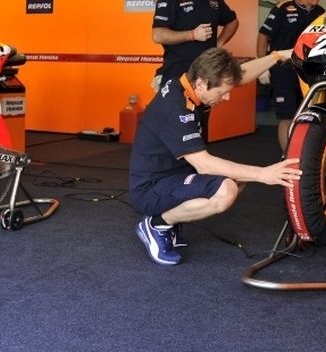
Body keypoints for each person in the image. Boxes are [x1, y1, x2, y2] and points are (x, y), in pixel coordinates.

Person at [129, 47, 303, 266]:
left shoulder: (190, 82)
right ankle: (157, 224)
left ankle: (170, 220)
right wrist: (264, 174)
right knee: (226, 190)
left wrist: (277, 56)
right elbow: (204, 165)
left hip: (175, 173)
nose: (227, 97)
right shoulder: (176, 108)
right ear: (201, 84)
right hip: (150, 188)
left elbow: (240, 75)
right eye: (222, 92)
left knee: (237, 178)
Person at [257, 0, 326, 150]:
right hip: (284, 71)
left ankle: (305, 155)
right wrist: (262, 66)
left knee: (308, 116)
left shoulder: (321, 13)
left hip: (309, 73)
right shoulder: (283, 8)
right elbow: (263, 35)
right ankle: (287, 158)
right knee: (286, 117)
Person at [151, 0, 239, 90]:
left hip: (207, 75)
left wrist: (219, 43)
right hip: (177, 75)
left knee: (206, 106)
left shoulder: (214, 0)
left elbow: (233, 22)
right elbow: (157, 35)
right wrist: (192, 34)